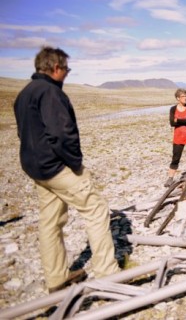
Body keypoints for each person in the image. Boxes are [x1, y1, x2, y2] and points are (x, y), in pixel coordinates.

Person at [13, 46, 120, 293]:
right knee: (96, 210)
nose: (67, 74)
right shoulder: (50, 92)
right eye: (67, 69)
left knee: (51, 221)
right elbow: (62, 134)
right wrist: (75, 164)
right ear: (56, 68)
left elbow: (23, 132)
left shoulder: (25, 93)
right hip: (57, 167)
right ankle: (109, 274)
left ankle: (56, 279)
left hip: (35, 168)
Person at [164, 88, 186, 187]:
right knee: (175, 158)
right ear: (178, 98)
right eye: (183, 96)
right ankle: (170, 178)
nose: (185, 98)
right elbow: (172, 123)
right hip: (178, 137)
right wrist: (185, 119)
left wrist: (178, 120)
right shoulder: (173, 109)